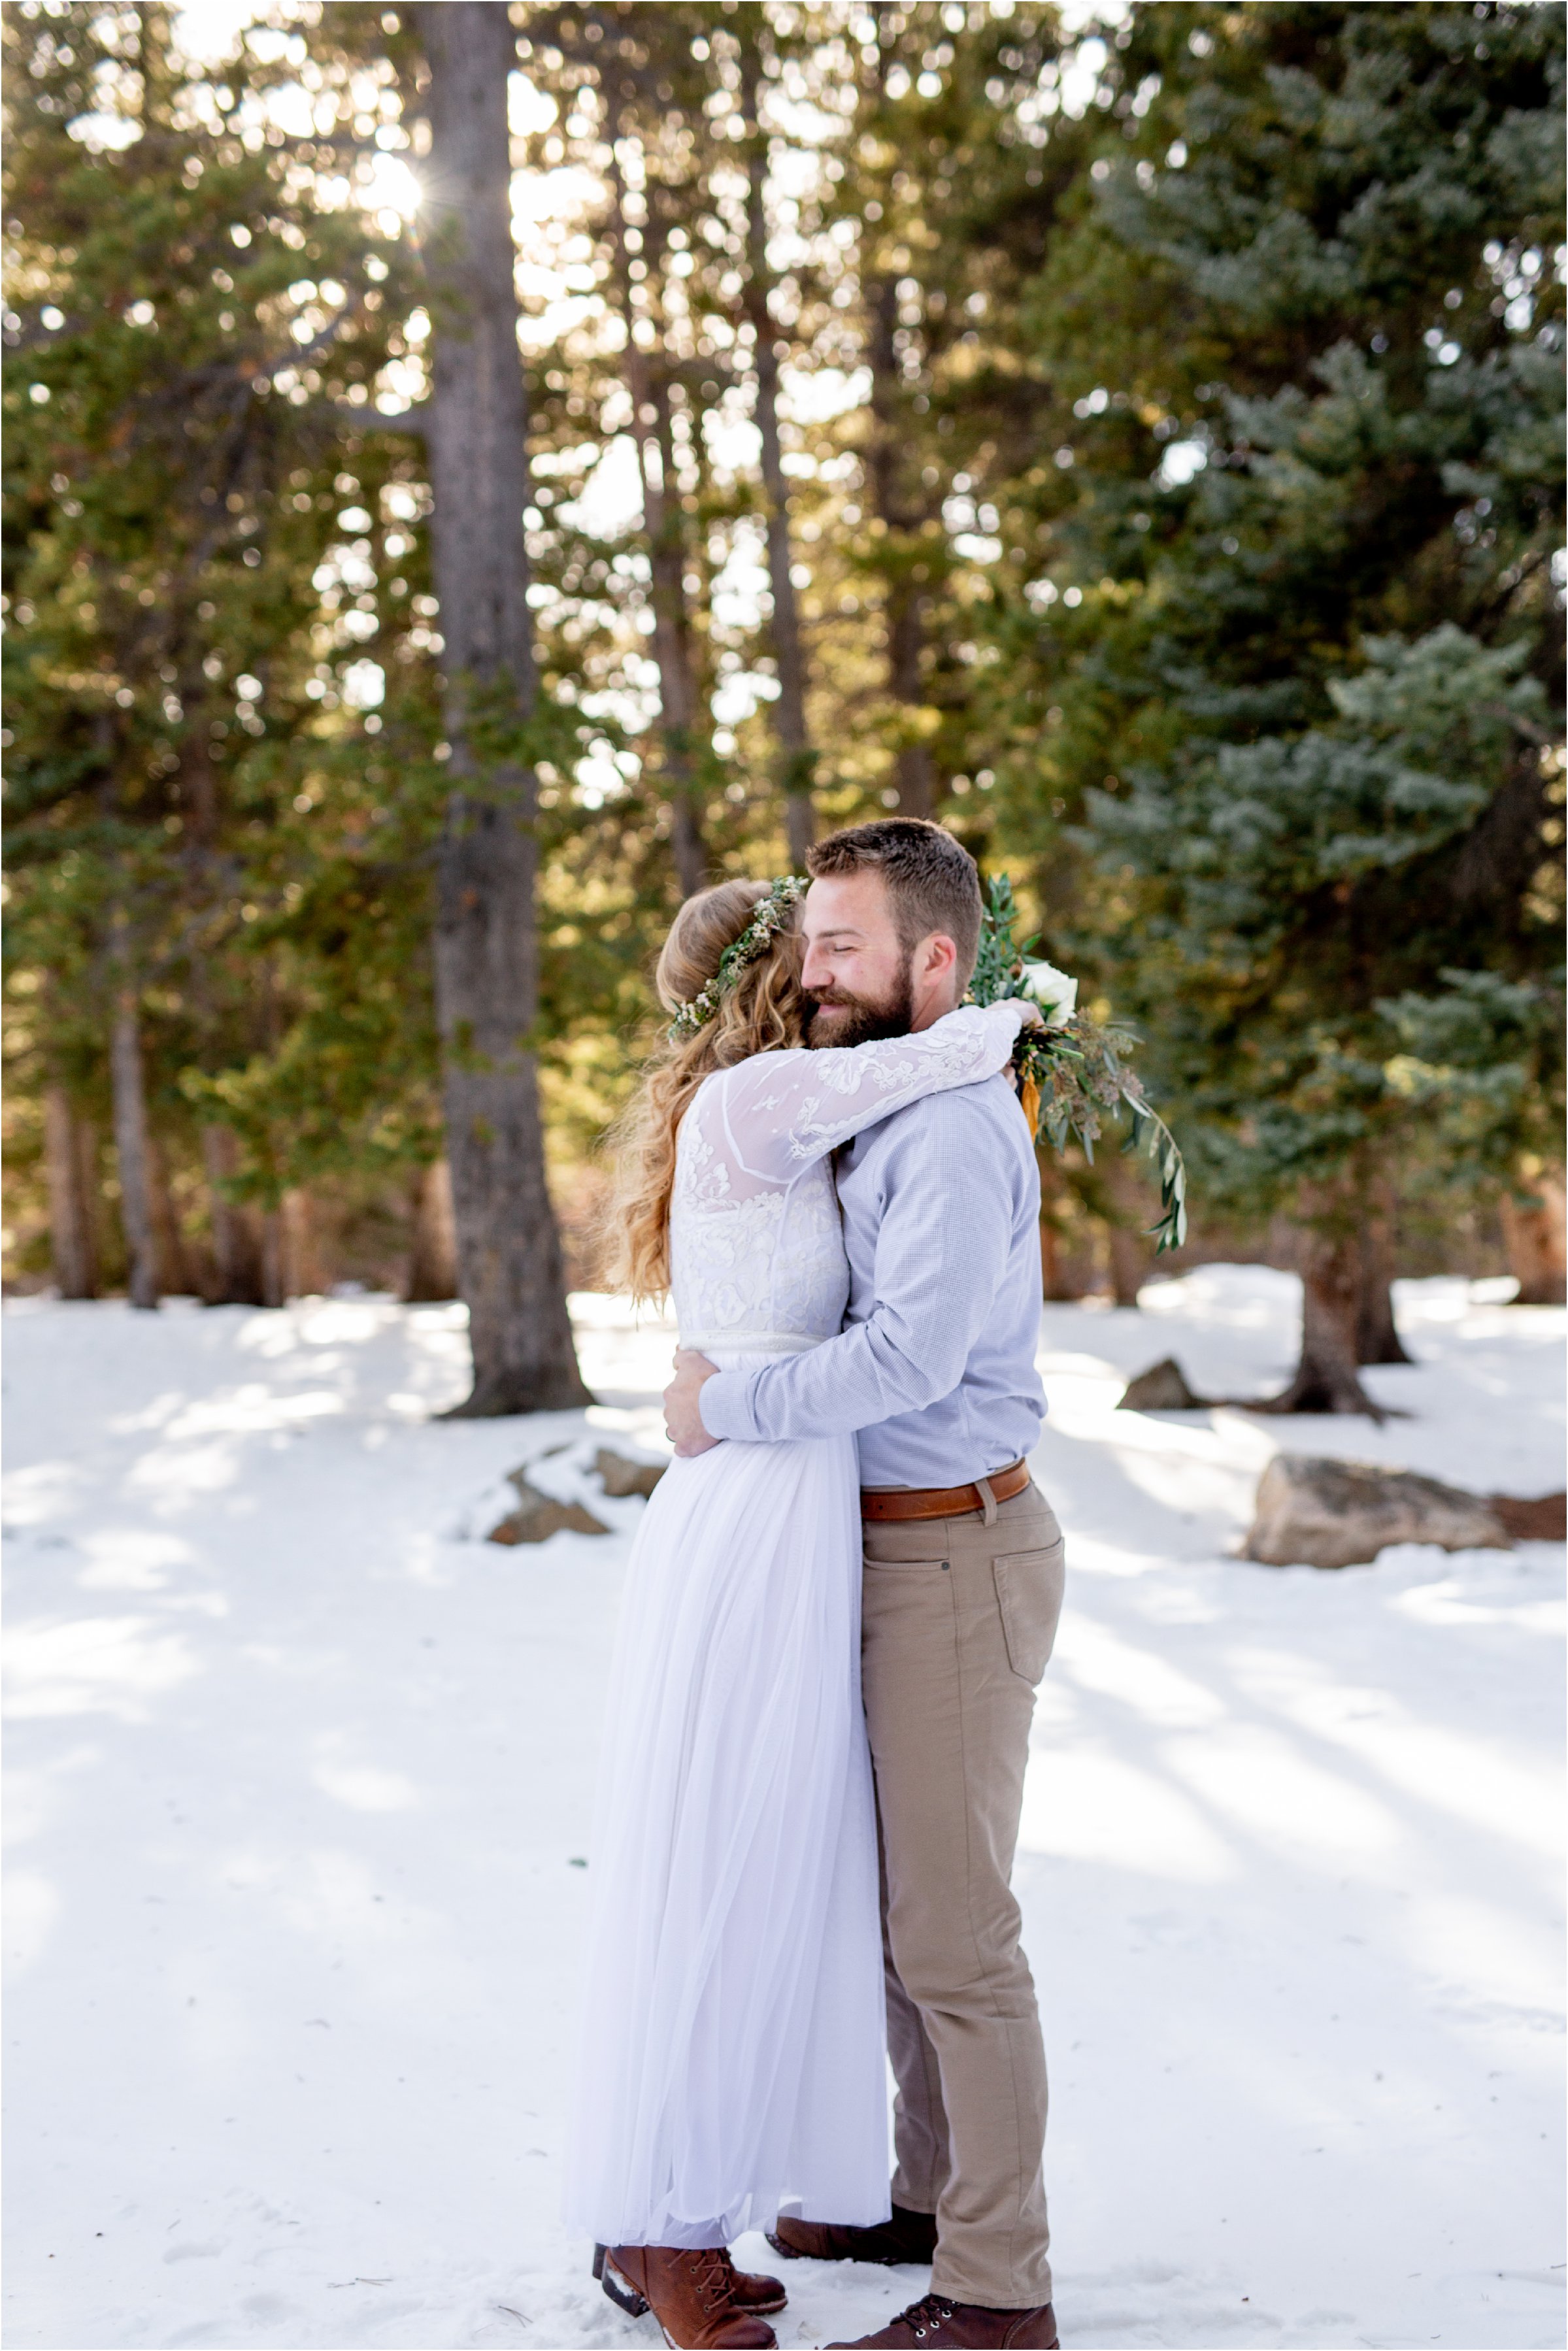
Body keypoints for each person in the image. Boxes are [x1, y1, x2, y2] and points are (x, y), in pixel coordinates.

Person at [563, 862, 1037, 2351]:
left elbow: (949, 1066)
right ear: (762, 986)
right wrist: (1017, 1012)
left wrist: (987, 1003)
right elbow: (959, 1042)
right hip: (768, 1492)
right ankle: (661, 2209)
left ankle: (946, 2250)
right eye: (809, 953)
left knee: (835, 1882)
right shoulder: (766, 1100)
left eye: (847, 949)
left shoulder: (837, 1103)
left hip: (819, 1501)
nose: (826, 975)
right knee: (733, 1854)